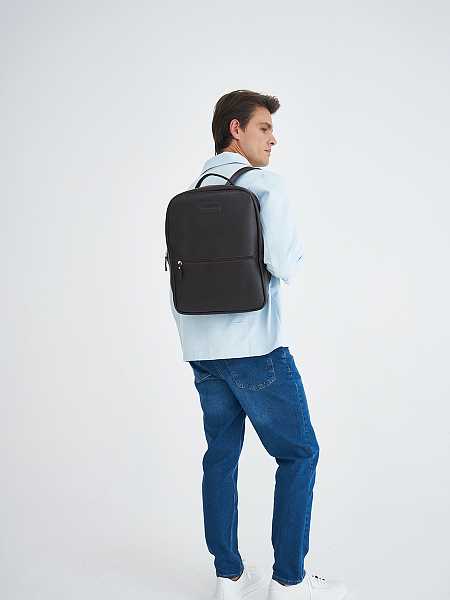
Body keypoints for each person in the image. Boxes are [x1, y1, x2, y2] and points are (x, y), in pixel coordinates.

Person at [167, 90, 348, 600]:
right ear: (235, 129)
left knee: (221, 456)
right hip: (257, 348)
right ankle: (288, 582)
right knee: (299, 453)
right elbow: (286, 264)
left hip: (203, 352)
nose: (273, 138)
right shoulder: (265, 185)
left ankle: (227, 577)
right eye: (264, 127)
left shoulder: (191, 193)